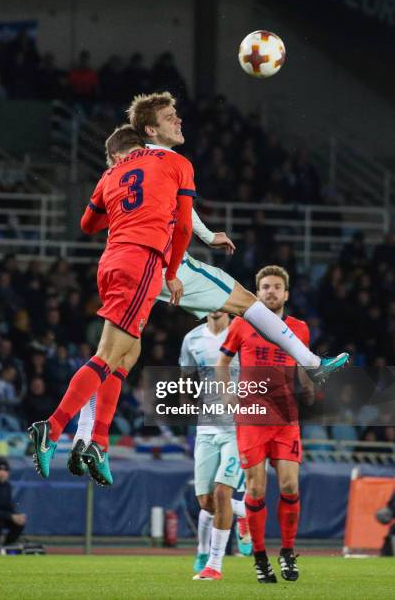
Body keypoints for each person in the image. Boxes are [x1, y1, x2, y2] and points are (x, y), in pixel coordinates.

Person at [68, 92, 348, 485]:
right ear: (150, 129)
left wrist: (206, 232)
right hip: (163, 261)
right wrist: (176, 265)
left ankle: (88, 439)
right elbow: (180, 215)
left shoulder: (123, 170)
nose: (179, 120)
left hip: (122, 263)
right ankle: (311, 363)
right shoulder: (165, 160)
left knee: (118, 355)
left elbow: (116, 217)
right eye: (171, 116)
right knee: (248, 303)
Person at [29, 123, 195, 482]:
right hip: (143, 260)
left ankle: (99, 442)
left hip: (113, 260)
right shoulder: (166, 165)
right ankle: (52, 428)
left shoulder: (110, 175)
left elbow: (87, 224)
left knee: (127, 355)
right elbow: (182, 227)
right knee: (107, 354)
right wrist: (172, 271)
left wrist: (118, 206)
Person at [217, 265, 315, 583]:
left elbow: (300, 363)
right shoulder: (241, 324)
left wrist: (308, 385)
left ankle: (287, 553)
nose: (270, 292)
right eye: (265, 287)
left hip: (286, 417)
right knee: (257, 489)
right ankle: (260, 556)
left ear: (286, 294)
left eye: (276, 287)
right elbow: (223, 362)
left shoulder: (300, 328)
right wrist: (227, 392)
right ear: (257, 293)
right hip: (253, 418)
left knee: (289, 486)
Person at [178, 312, 250, 581]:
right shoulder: (192, 338)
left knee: (222, 493)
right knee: (206, 502)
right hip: (206, 427)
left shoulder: (243, 333)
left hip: (238, 427)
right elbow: (186, 374)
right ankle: (244, 512)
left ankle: (214, 564)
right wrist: (186, 401)